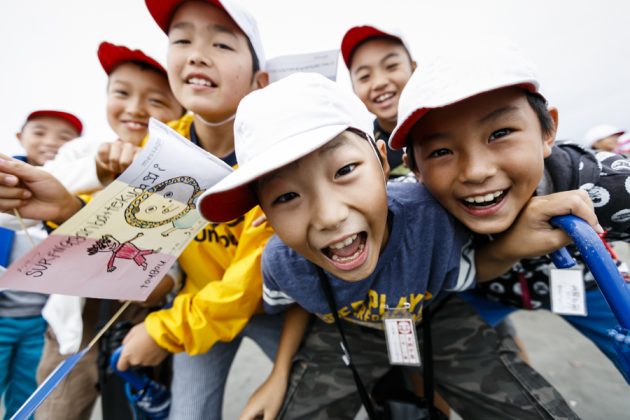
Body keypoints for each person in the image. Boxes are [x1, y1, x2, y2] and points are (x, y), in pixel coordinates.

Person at [198, 72, 595, 419]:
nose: (329, 216)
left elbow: (470, 268)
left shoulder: (433, 220)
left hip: (435, 317)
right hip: (346, 333)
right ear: (263, 214)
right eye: (286, 197)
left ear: (383, 162)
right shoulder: (282, 263)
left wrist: (511, 246)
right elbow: (302, 304)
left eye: (345, 170)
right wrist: (278, 373)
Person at [391, 40, 630, 383]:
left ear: (548, 130)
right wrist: (509, 246)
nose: (475, 171)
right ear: (415, 169)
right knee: (430, 362)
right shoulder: (422, 216)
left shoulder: (608, 185)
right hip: (490, 292)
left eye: (500, 133)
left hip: (590, 286)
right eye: (441, 151)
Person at [111, 1, 282, 418]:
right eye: (182, 39)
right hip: (199, 303)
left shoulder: (278, 153)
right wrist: (64, 205)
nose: (197, 54)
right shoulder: (160, 148)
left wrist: (161, 330)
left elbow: (250, 281)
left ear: (261, 81)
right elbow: (126, 233)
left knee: (306, 402)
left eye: (222, 44)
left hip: (279, 307)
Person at [34, 41, 183, 420]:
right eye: (122, 92)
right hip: (72, 328)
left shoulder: (181, 174)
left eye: (156, 100)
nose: (134, 108)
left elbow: (174, 272)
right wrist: (99, 171)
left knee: (134, 411)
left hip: (137, 326)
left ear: (181, 111)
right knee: (56, 411)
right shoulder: (81, 153)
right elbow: (41, 188)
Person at [0, 110, 81, 420]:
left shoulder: (79, 194)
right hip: (2, 317)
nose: (51, 142)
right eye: (40, 132)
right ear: (20, 137)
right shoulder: (5, 185)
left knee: (28, 399)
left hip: (41, 323)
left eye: (64, 138)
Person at [341, 25, 415, 178]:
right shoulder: (362, 149)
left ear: (413, 69)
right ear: (354, 89)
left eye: (391, 66)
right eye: (364, 76)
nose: (379, 83)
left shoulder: (448, 121)